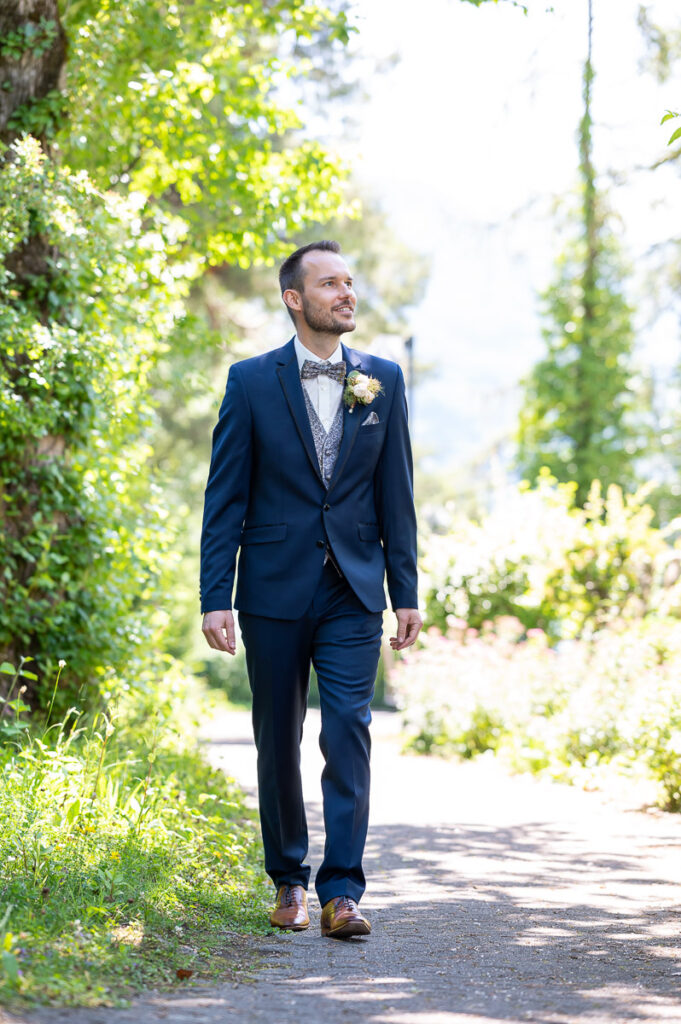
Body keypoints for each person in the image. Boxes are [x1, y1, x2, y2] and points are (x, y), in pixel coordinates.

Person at [200, 240, 421, 939]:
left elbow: (397, 493)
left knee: (349, 730)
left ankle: (342, 892)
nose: (346, 293)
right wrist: (215, 594)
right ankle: (288, 882)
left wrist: (405, 590)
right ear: (294, 299)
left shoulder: (382, 379)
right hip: (272, 587)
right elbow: (224, 497)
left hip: (354, 587)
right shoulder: (250, 381)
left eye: (349, 282)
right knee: (277, 736)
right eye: (329, 284)